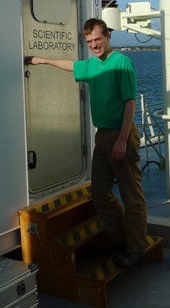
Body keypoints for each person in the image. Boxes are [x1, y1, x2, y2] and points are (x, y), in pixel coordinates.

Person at [25, 18, 148, 268]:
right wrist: (42, 61)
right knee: (100, 195)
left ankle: (136, 249)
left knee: (131, 196)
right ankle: (121, 239)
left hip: (120, 134)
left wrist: (123, 140)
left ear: (108, 36)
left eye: (98, 39)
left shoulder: (121, 63)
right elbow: (71, 65)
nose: (94, 45)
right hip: (102, 135)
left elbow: (130, 102)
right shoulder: (92, 65)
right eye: (90, 41)